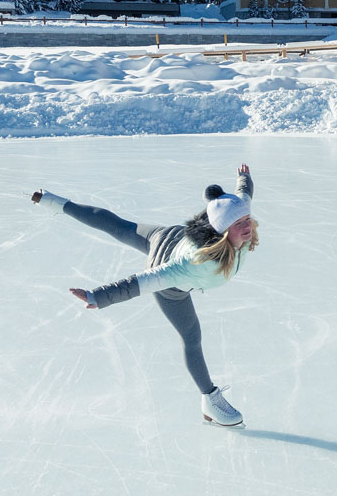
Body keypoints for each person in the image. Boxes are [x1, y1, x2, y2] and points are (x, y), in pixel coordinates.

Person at [35, 166, 259, 427]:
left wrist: (244, 177)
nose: (247, 227)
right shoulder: (191, 265)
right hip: (172, 281)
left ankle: (54, 201)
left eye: (247, 220)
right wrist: (98, 296)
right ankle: (209, 399)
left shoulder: (238, 217)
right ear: (221, 231)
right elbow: (144, 281)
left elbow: (244, 195)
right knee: (191, 337)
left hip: (169, 236)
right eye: (239, 224)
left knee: (121, 227)